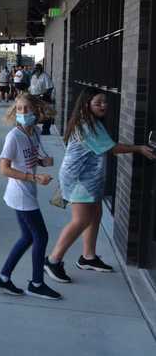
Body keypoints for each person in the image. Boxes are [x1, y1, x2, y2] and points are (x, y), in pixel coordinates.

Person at [44, 88, 156, 283]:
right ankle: (53, 260)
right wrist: (138, 148)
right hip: (80, 180)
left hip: (89, 179)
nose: (103, 105)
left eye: (105, 102)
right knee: (81, 220)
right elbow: (112, 148)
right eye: (98, 103)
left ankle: (88, 257)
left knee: (96, 214)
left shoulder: (92, 121)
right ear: (87, 104)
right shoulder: (87, 124)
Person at [0, 94, 61, 299]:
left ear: (36, 111)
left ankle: (3, 278)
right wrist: (34, 177)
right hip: (21, 193)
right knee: (41, 236)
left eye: (26, 109)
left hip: (27, 190)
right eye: (19, 109)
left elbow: (30, 158)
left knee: (28, 236)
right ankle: (37, 283)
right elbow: (4, 169)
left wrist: (43, 161)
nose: (22, 113)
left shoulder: (35, 132)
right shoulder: (14, 136)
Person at [28, 63, 54, 135]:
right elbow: (31, 87)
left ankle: (46, 130)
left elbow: (50, 88)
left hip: (43, 97)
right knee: (34, 114)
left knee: (46, 114)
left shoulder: (45, 76)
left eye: (36, 70)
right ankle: (33, 129)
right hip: (34, 97)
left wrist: (43, 95)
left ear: (40, 70)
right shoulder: (33, 76)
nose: (35, 71)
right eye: (34, 70)